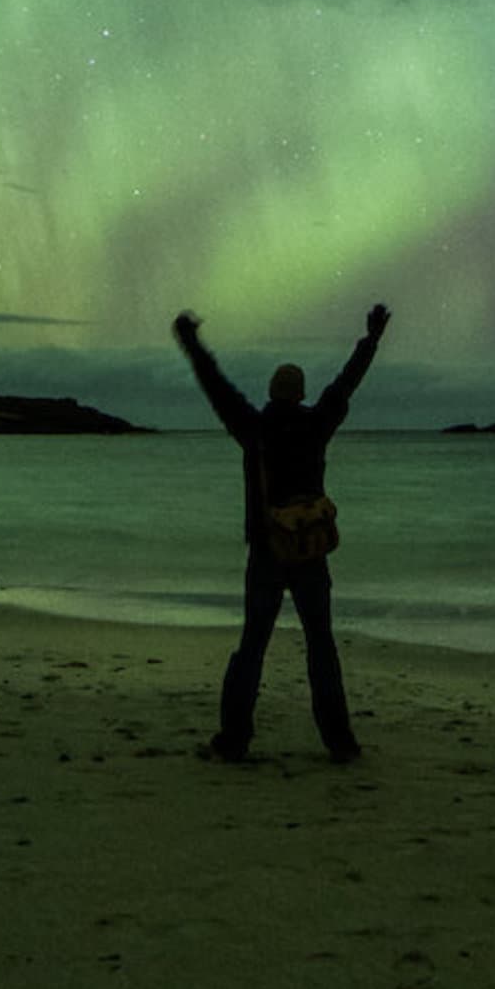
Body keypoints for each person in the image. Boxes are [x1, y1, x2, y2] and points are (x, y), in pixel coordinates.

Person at [172, 301, 390, 763]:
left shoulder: (253, 427)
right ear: (302, 392)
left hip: (267, 552)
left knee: (252, 647)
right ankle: (340, 742)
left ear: (272, 393)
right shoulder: (317, 424)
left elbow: (217, 387)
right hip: (310, 550)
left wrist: (192, 343)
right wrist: (370, 338)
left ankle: (233, 739)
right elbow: (347, 384)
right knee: (321, 648)